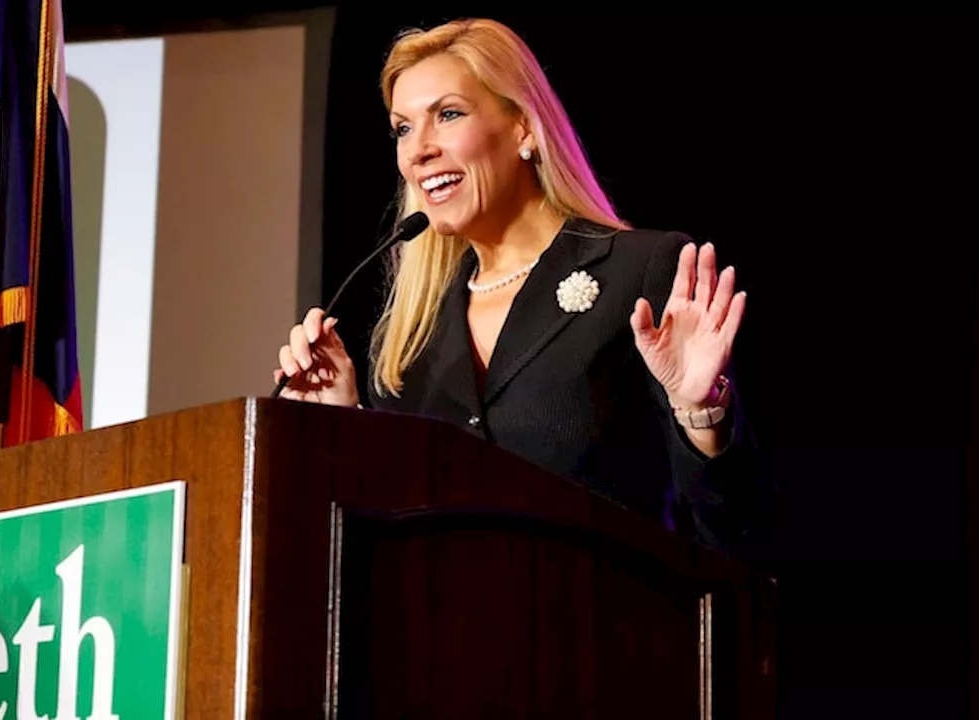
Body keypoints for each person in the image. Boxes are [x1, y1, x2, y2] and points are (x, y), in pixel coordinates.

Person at [274, 18, 774, 572]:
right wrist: (349, 427)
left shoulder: (640, 271)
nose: (418, 151)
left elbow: (737, 534)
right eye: (402, 129)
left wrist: (702, 412)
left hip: (610, 636)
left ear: (524, 129)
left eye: (448, 115)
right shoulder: (410, 340)